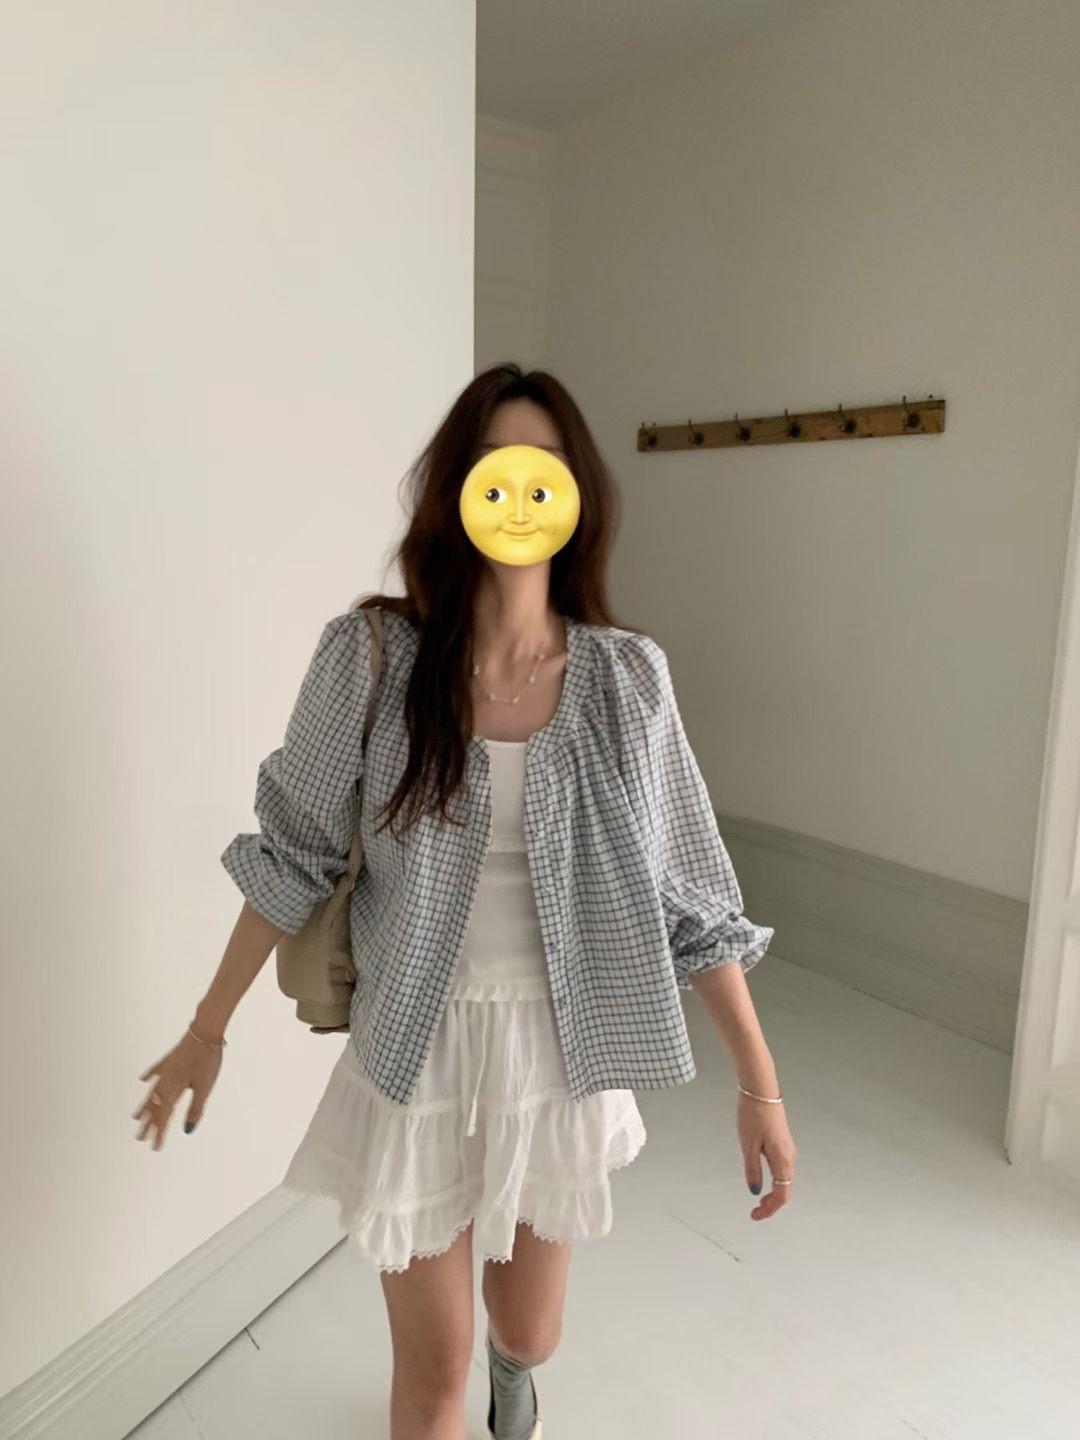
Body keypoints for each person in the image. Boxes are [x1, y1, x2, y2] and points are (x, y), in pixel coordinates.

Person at [133, 362, 796, 1440]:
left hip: (561, 1058)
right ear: (455, 489)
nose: (519, 491)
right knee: (433, 1374)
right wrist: (207, 1029)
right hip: (414, 1053)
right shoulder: (371, 658)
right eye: (494, 466)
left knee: (528, 1329)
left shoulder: (628, 678)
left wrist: (760, 1086)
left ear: (578, 492)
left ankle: (516, 1367)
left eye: (545, 467)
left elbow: (690, 894)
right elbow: (293, 853)